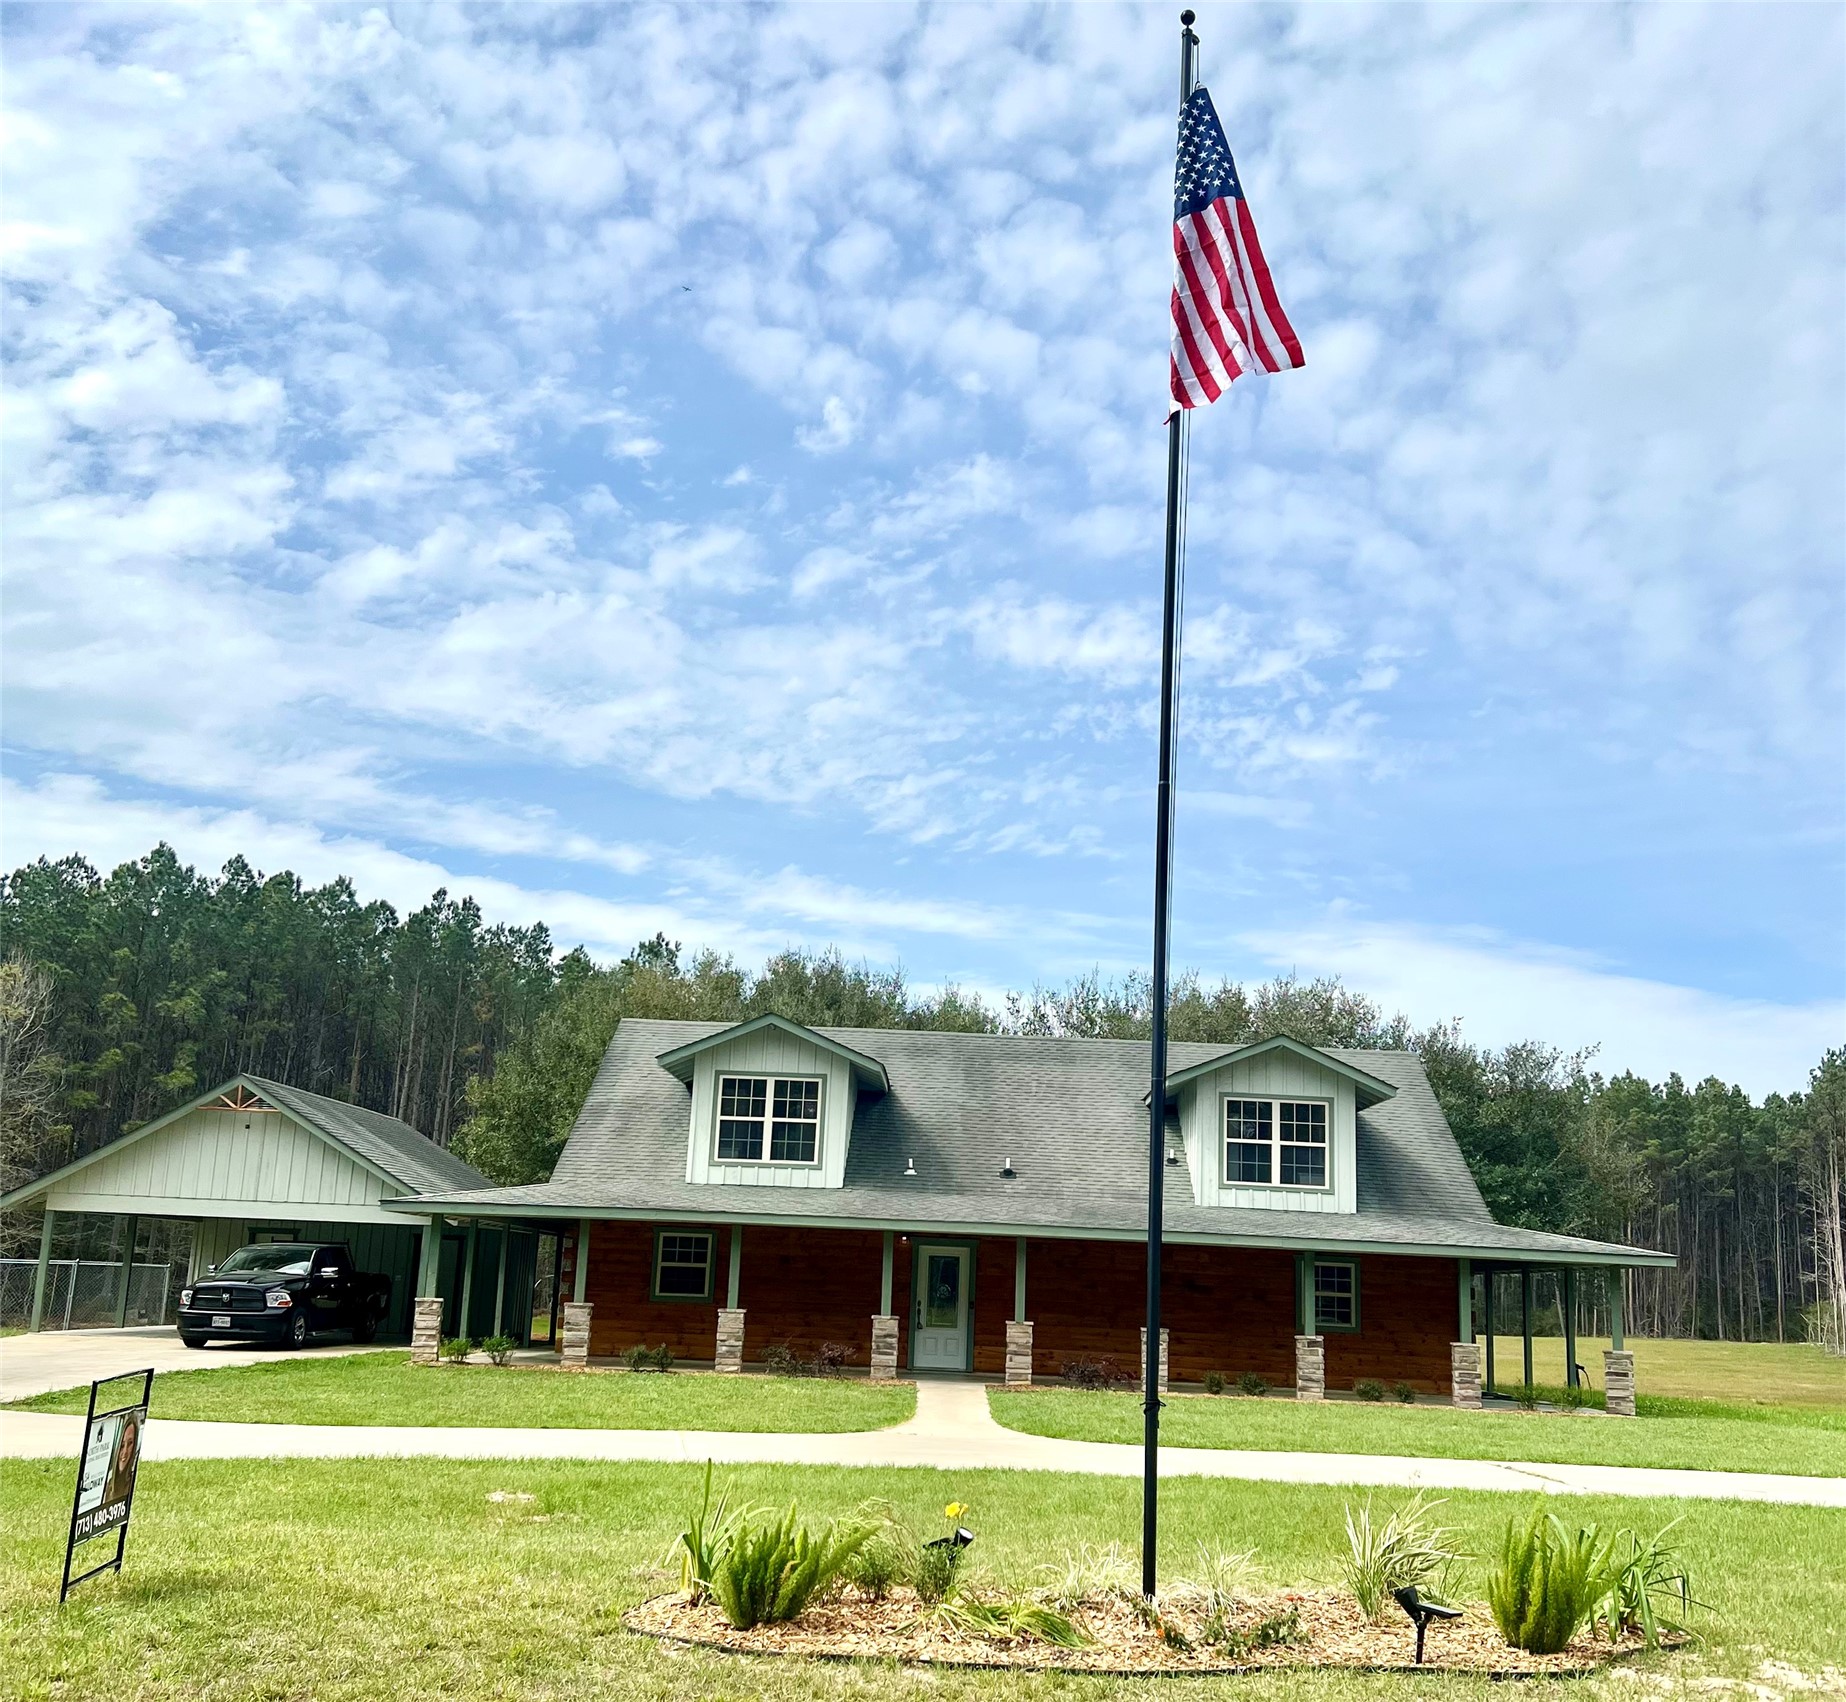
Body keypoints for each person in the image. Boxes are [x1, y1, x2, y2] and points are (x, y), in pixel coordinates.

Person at [102, 1410, 142, 1508]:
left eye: (130, 1443)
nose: (125, 1452)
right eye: (122, 1445)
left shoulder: (133, 1484)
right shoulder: (109, 1485)